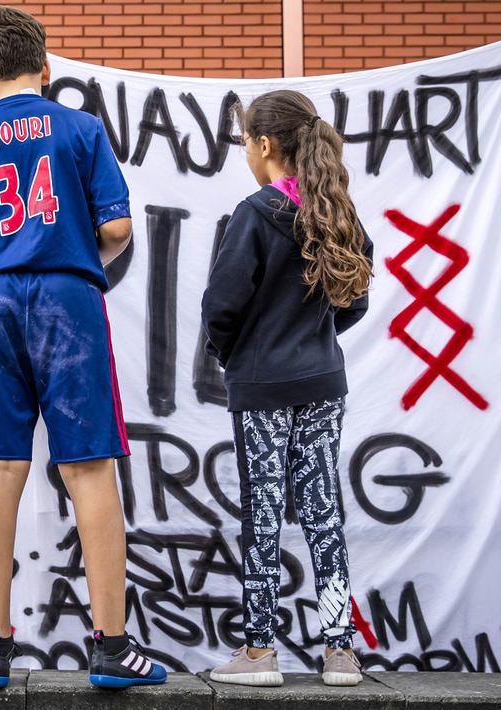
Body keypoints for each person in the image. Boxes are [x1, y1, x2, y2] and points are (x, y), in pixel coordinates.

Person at [0, 5, 166, 691]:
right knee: (88, 467)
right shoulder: (81, 126)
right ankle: (111, 647)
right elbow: (117, 227)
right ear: (46, 66)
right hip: (68, 297)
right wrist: (70, 252)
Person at [201, 90, 374, 688]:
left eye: (246, 142)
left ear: (266, 145)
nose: (246, 153)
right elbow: (355, 298)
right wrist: (318, 336)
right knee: (325, 512)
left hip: (262, 386)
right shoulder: (337, 211)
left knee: (264, 514)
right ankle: (340, 652)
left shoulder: (254, 213)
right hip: (324, 382)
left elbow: (220, 305)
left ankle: (258, 653)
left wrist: (238, 357)